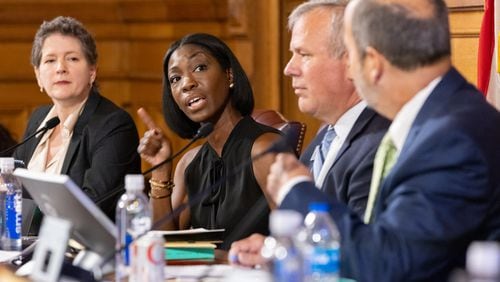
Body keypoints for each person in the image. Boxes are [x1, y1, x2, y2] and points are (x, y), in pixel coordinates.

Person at [260, 0, 500, 281]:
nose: (348, 69)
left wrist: (297, 190)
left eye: (351, 56)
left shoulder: (451, 138)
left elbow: (390, 264)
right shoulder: (442, 119)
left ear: (373, 63)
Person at [229, 0, 390, 266]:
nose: (289, 68)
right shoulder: (327, 134)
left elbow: (365, 255)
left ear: (350, 62)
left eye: (303, 54)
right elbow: (313, 237)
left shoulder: (379, 141)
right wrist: (274, 251)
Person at [137, 33, 283, 249]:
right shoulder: (189, 162)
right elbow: (164, 249)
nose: (187, 83)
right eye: (175, 79)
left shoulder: (264, 149)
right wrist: (160, 169)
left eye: (199, 68)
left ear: (229, 75)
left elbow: (297, 243)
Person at [14, 16, 141, 235]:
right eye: (50, 60)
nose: (60, 68)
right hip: (28, 251)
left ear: (92, 71)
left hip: (87, 257)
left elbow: (91, 208)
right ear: (38, 75)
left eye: (72, 59)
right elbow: (15, 192)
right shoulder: (38, 120)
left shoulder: (113, 125)